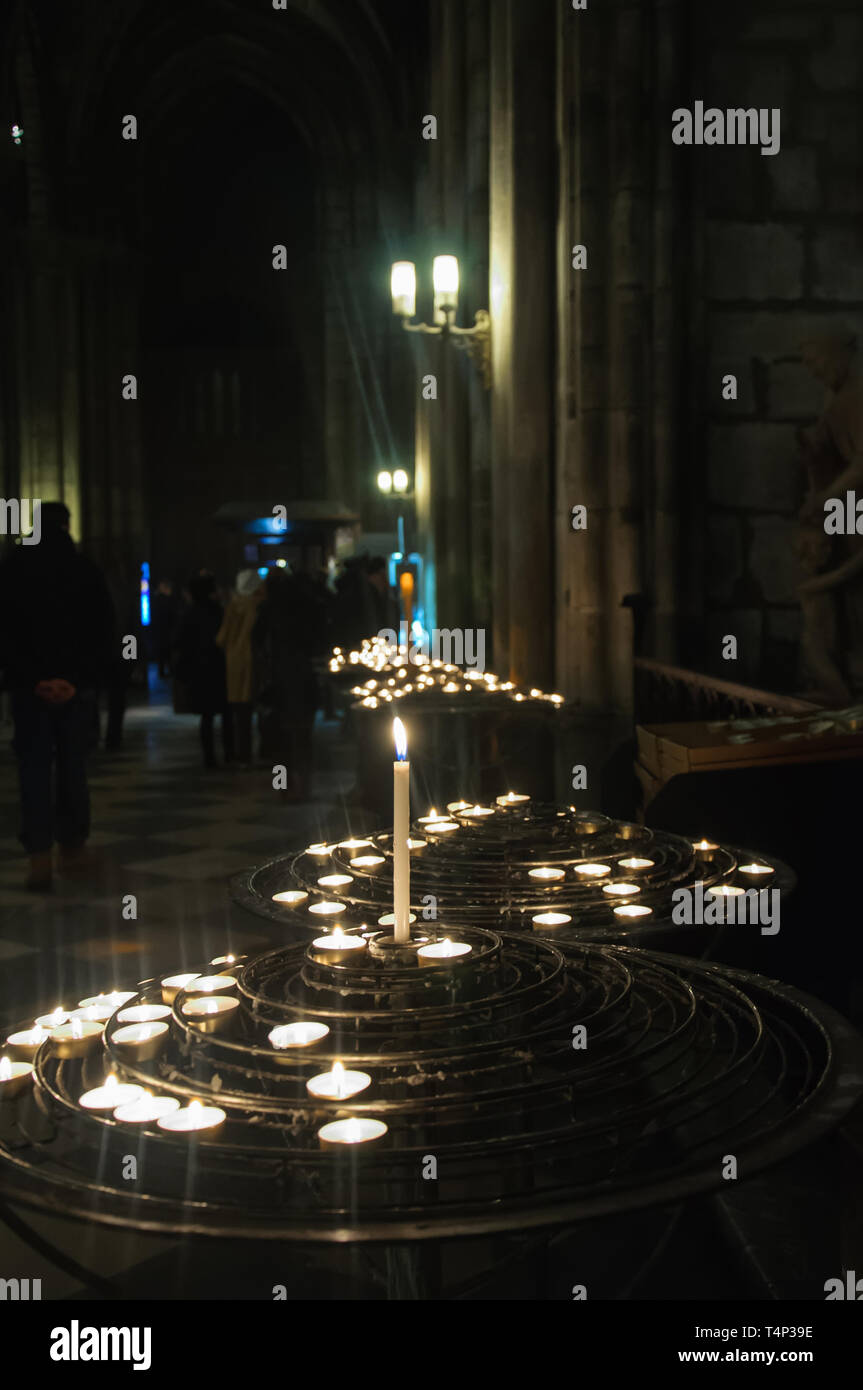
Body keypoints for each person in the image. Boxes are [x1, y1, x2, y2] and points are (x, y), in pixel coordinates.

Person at [0, 501, 114, 890]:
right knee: (72, 766)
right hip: (73, 690)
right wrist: (75, 680)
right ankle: (73, 850)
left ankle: (38, 859)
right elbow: (102, 630)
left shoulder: (13, 568)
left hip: (29, 690)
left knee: (32, 770)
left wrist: (31, 679)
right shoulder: (84, 568)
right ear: (67, 524)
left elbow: (6, 631)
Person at [253, 569, 319, 800]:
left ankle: (282, 788)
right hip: (302, 681)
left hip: (278, 683)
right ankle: (304, 787)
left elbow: (257, 643)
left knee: (280, 743)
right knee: (302, 739)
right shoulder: (306, 608)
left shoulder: (268, 610)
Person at [173, 574, 233, 767]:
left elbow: (182, 643)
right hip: (220, 667)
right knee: (226, 713)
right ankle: (229, 753)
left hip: (200, 668)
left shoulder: (189, 614)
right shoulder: (219, 611)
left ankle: (209, 757)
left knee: (207, 716)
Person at [216, 569, 264, 767]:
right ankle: (254, 751)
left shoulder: (231, 607)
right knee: (254, 709)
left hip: (233, 662)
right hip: (253, 662)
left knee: (237, 712)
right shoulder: (257, 607)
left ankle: (239, 753)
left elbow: (221, 637)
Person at [152, 580, 180, 679]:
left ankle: (162, 671)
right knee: (167, 651)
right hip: (166, 629)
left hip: (160, 629)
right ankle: (169, 670)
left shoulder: (157, 599)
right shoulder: (168, 600)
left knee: (162, 651)